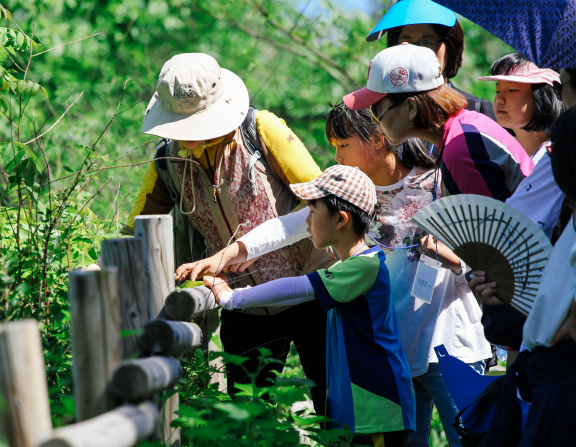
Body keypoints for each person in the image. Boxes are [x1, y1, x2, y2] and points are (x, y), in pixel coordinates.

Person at [178, 104, 491, 447]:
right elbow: (286, 228)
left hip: (447, 341)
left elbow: (483, 251)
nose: (338, 156)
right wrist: (223, 256)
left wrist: (449, 257)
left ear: (376, 138)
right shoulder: (348, 196)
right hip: (395, 353)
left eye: (343, 145)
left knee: (471, 439)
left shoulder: (436, 181)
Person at [125, 53, 334, 414]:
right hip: (243, 302)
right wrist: (101, 265)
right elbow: (136, 228)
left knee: (335, 407)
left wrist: (244, 247)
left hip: (311, 291)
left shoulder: (262, 131)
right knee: (250, 417)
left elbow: (323, 203)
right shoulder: (166, 161)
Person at [205, 165, 416, 447]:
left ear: (341, 219)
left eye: (313, 212)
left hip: (377, 403)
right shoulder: (353, 265)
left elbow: (296, 287)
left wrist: (231, 297)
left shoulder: (363, 266)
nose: (307, 222)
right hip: (364, 403)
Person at [344, 43, 534, 353]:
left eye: (378, 110)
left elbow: (501, 236)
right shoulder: (463, 129)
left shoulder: (461, 148)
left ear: (411, 108)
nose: (375, 120)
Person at [470, 107, 576, 447]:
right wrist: (508, 291)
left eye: (555, 151)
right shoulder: (569, 217)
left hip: (561, 380)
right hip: (538, 373)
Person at [479, 54, 566, 240]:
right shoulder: (513, 156)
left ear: (542, 96)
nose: (499, 99)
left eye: (512, 90)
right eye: (497, 91)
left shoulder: (553, 155)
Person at [367, 0, 496, 122]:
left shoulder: (481, 113)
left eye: (428, 42)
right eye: (407, 43)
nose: (417, 52)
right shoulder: (380, 114)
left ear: (451, 47)